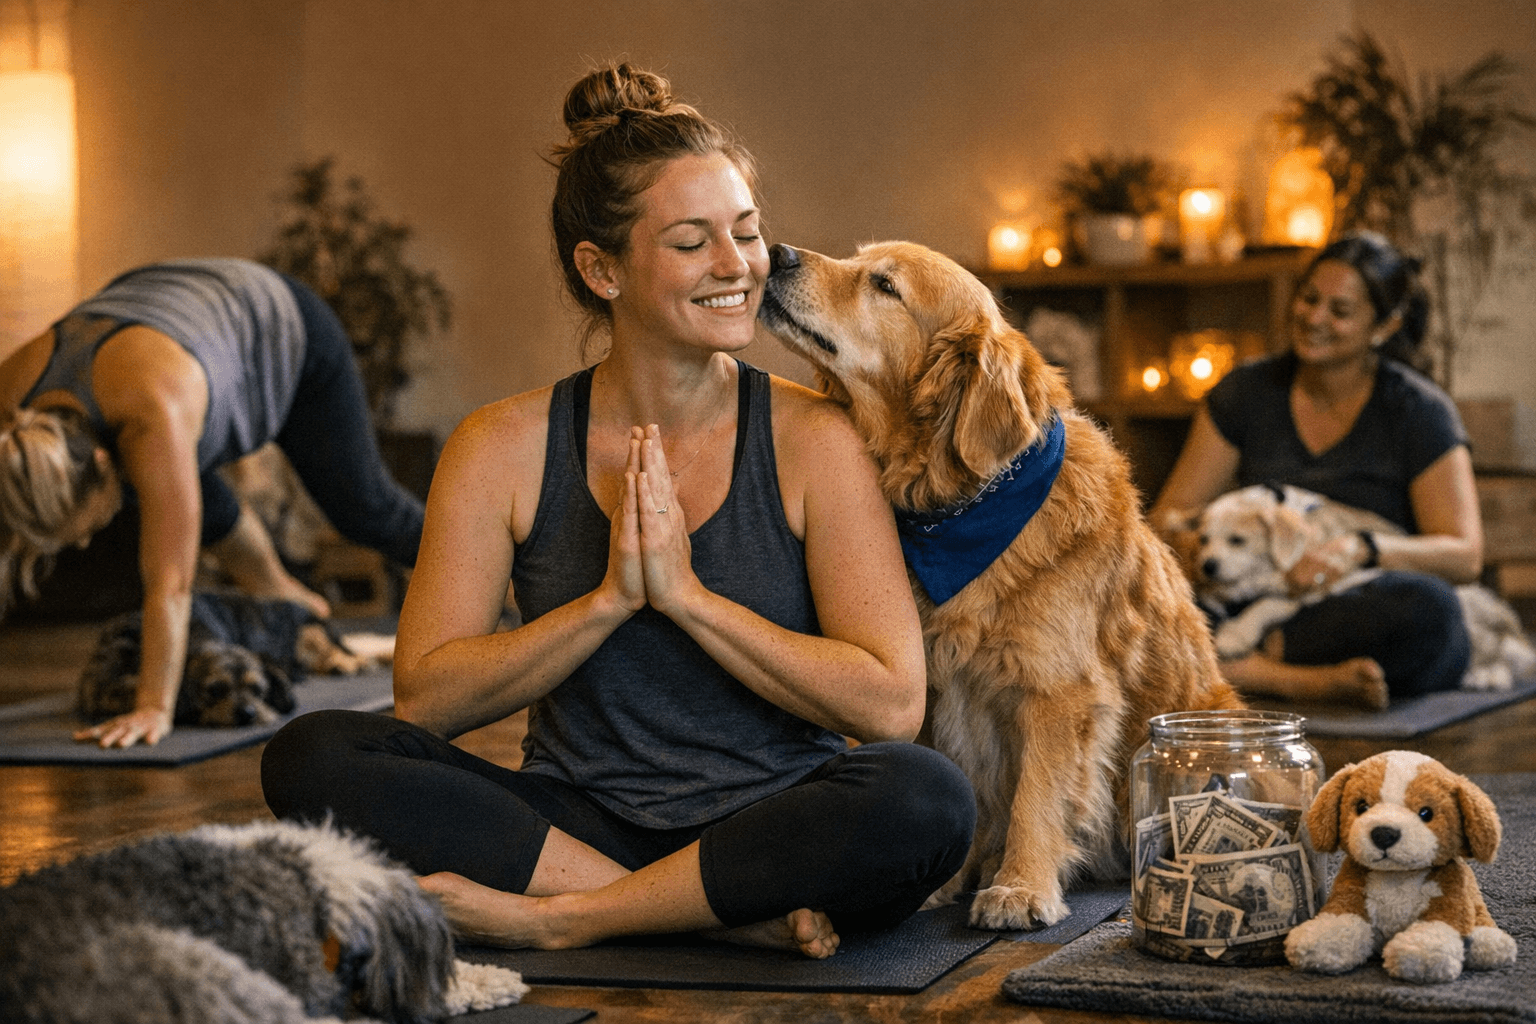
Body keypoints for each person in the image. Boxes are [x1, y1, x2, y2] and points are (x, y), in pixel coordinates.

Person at [259, 64, 974, 959]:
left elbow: (892, 705)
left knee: (926, 796)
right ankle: (698, 913)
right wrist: (607, 602)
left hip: (775, 824)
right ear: (601, 269)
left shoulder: (816, 439)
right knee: (312, 755)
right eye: (691, 243)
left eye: (747, 232)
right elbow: (427, 699)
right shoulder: (500, 446)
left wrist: (689, 600)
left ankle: (570, 917)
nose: (737, 266)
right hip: (577, 825)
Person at [0, 258, 425, 748]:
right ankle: (287, 600)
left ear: (98, 461)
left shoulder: (151, 413)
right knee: (165, 493)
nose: (86, 542)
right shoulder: (11, 416)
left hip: (283, 326)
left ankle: (492, 577)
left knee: (367, 511)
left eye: (87, 527)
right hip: (177, 319)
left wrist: (153, 707)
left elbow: (170, 585)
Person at [1151, 232, 1480, 709]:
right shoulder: (1244, 393)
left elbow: (1465, 556)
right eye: (1308, 299)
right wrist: (1199, 550)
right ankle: (1291, 679)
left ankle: (1234, 666)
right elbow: (1167, 519)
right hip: (1245, 593)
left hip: (1350, 603)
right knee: (1146, 592)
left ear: (1384, 327)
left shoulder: (1420, 411)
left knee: (1433, 612)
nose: (1315, 318)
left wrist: (1359, 549)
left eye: (1340, 310)